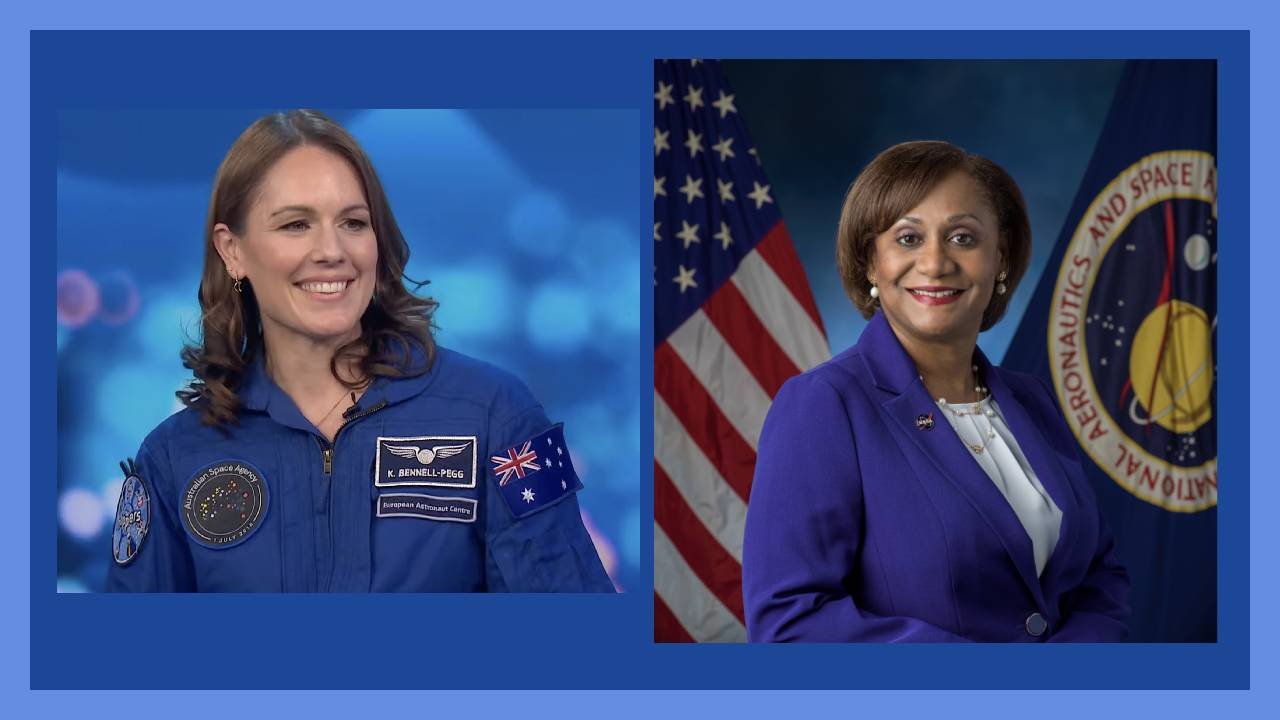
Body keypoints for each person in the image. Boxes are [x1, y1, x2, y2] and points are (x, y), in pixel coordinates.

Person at [107, 110, 614, 592]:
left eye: (353, 222)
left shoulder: (505, 415)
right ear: (232, 250)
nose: (332, 251)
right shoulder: (172, 458)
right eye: (295, 225)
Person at [742, 141, 1130, 641]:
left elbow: (1099, 575)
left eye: (963, 237)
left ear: (1001, 259)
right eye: (907, 238)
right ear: (869, 263)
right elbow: (789, 623)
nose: (935, 263)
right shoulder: (824, 406)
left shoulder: (1030, 400)